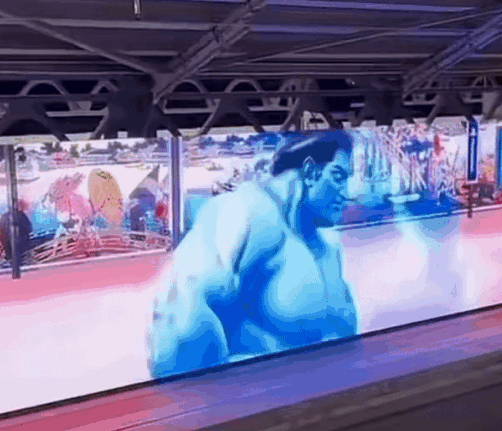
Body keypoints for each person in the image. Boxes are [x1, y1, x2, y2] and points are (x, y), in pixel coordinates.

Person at [147, 132, 358, 379]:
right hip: (264, 411)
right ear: (311, 172)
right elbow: (176, 332)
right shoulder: (248, 214)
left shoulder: (327, 250)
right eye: (338, 177)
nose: (347, 194)